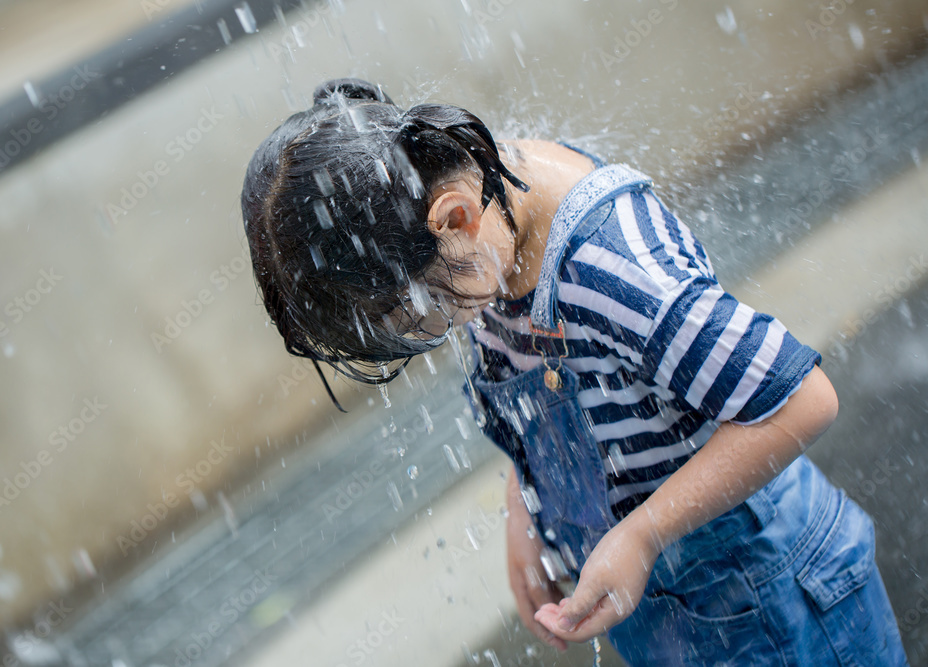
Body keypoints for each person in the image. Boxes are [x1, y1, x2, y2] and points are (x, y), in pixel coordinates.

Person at [241, 78, 908, 665]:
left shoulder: (609, 268)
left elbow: (800, 400)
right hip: (679, 605)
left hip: (771, 605)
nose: (447, 326)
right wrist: (524, 511)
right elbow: (542, 394)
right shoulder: (480, 221)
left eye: (432, 311)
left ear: (455, 217)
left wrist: (642, 534)